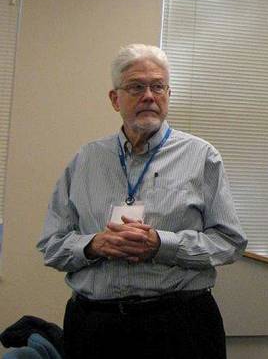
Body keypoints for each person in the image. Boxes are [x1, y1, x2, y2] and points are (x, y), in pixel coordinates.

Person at [38, 44, 247, 359]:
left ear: (168, 94)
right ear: (115, 99)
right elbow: (51, 245)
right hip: (95, 327)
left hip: (179, 325)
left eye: (158, 86)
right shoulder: (87, 159)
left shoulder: (202, 156)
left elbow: (230, 242)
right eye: (136, 86)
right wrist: (94, 245)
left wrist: (162, 244)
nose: (149, 95)